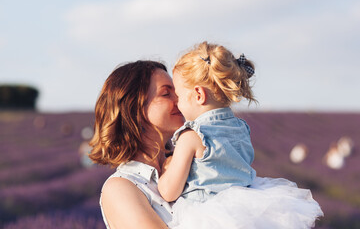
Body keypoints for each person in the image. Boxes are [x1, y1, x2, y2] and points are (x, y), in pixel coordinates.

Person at [158, 42, 324, 229]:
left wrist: (166, 169)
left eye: (178, 96)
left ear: (198, 95)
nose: (176, 103)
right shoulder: (241, 128)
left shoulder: (191, 136)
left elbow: (168, 192)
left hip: (204, 217)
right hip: (246, 213)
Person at [88, 60, 185, 229]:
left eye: (177, 92)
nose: (180, 99)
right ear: (134, 109)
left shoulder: (190, 165)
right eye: (166, 94)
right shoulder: (121, 187)